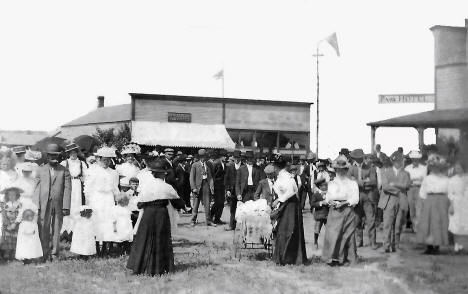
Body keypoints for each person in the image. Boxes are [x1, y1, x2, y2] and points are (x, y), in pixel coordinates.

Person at [127, 159, 185, 276]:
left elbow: (140, 204)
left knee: (144, 238)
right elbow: (178, 202)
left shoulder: (146, 186)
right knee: (160, 238)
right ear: (164, 173)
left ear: (152, 173)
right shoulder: (167, 187)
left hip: (148, 214)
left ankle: (139, 266)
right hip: (161, 214)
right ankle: (160, 266)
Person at [34, 144, 72, 261]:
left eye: (55, 155)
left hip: (58, 204)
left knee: (56, 229)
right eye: (51, 155)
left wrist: (66, 206)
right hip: (44, 203)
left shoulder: (64, 170)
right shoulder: (40, 170)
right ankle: (44, 253)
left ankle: (55, 253)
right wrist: (36, 205)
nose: (53, 157)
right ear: (47, 156)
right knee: (43, 228)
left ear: (59, 156)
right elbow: (36, 188)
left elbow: (67, 189)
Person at [322, 155, 359, 266]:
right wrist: (330, 202)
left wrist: (344, 203)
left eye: (343, 170)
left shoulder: (352, 183)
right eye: (338, 170)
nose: (340, 172)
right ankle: (332, 258)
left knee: (346, 234)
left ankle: (344, 258)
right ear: (336, 170)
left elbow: (355, 198)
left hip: (347, 210)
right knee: (332, 234)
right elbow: (328, 197)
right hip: (334, 211)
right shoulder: (332, 183)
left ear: (346, 170)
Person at [271, 156, 307, 265]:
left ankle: (288, 257)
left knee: (287, 230)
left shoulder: (286, 177)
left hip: (290, 205)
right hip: (287, 204)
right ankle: (286, 256)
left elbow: (291, 191)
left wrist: (278, 200)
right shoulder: (282, 176)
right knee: (285, 229)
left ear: (277, 167)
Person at [84, 146, 119, 256]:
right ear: (98, 159)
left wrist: (118, 201)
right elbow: (87, 188)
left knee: (108, 222)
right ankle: (95, 247)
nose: (106, 162)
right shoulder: (92, 171)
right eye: (104, 159)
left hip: (108, 199)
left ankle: (105, 247)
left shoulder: (113, 173)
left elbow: (115, 189)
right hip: (96, 198)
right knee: (96, 221)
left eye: (108, 160)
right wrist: (88, 202)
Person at [417, 154, 450, 255]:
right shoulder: (428, 178)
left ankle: (437, 245)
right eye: (433, 167)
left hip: (442, 201)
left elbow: (449, 192)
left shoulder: (446, 179)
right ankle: (429, 246)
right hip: (429, 200)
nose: (435, 169)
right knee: (428, 223)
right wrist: (422, 204)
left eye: (438, 167)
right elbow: (422, 192)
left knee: (439, 222)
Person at [378, 151, 410, 253]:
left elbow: (406, 185)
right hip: (389, 200)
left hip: (401, 200)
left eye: (400, 161)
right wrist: (398, 190)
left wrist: (394, 184)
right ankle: (386, 246)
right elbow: (386, 187)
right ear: (393, 161)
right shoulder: (386, 171)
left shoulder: (406, 173)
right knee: (387, 224)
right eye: (396, 161)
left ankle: (395, 246)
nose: (398, 163)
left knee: (398, 226)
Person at [348, 149, 378, 249]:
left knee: (371, 220)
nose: (360, 159)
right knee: (357, 220)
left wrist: (357, 181)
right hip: (356, 196)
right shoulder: (351, 169)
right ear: (354, 158)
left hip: (368, 196)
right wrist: (365, 181)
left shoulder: (370, 167)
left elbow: (374, 181)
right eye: (358, 158)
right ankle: (359, 240)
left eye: (361, 157)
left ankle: (372, 242)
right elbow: (348, 182)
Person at [60, 143, 88, 236]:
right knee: (68, 206)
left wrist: (84, 180)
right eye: (71, 152)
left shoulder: (81, 163)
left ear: (77, 152)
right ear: (68, 153)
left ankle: (75, 231)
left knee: (76, 206)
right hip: (67, 185)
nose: (73, 154)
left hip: (77, 186)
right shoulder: (64, 163)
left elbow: (87, 176)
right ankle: (65, 230)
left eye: (74, 152)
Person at [190, 149, 215, 227]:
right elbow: (191, 177)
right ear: (199, 157)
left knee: (207, 204)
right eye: (202, 157)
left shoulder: (208, 165)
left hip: (206, 185)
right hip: (197, 186)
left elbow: (210, 177)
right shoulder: (195, 165)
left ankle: (208, 221)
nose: (203, 158)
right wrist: (193, 187)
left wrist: (211, 187)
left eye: (204, 157)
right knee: (196, 204)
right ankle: (193, 220)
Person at [405, 150, 427, 232]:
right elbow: (406, 180)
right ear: (411, 159)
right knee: (412, 209)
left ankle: (418, 227)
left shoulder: (423, 168)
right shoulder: (407, 168)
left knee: (419, 209)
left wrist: (413, 179)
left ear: (419, 159)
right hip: (410, 189)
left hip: (420, 189)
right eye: (413, 159)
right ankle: (414, 225)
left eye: (416, 159)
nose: (415, 160)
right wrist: (416, 179)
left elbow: (424, 180)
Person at [448, 163, 468, 252]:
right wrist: (451, 205)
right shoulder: (452, 180)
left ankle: (463, 244)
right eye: (456, 168)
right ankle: (456, 244)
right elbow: (450, 193)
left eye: (459, 168)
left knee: (465, 224)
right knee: (455, 224)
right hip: (455, 203)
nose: (458, 169)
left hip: (465, 202)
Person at [1, 187, 22, 260]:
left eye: (14, 195)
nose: (12, 196)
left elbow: (20, 215)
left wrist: (15, 223)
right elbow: (4, 215)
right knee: (7, 239)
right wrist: (8, 224)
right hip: (7, 225)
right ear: (7, 196)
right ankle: (7, 254)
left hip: (16, 225)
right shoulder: (5, 205)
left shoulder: (19, 205)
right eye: (10, 195)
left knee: (15, 239)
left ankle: (15, 254)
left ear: (17, 195)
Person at [224, 150, 242, 231]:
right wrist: (227, 189)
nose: (236, 159)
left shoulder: (243, 166)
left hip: (242, 191)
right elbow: (226, 179)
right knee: (232, 209)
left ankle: (242, 227)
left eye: (238, 157)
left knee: (242, 209)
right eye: (235, 157)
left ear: (240, 158)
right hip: (232, 191)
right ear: (233, 158)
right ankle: (232, 225)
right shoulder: (230, 166)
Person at [310, 178, 329, 250]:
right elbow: (312, 203)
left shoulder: (329, 193)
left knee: (329, 230)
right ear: (320, 187)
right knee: (317, 230)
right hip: (319, 215)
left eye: (326, 185)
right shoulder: (316, 195)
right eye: (324, 186)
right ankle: (315, 242)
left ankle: (328, 244)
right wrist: (320, 203)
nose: (326, 187)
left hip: (327, 215)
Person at [210, 150, 227, 225]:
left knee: (221, 203)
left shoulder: (224, 164)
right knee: (218, 202)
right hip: (217, 185)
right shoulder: (215, 163)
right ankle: (210, 216)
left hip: (222, 185)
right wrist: (212, 186)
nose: (226, 158)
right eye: (224, 156)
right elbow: (212, 175)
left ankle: (217, 218)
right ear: (221, 156)